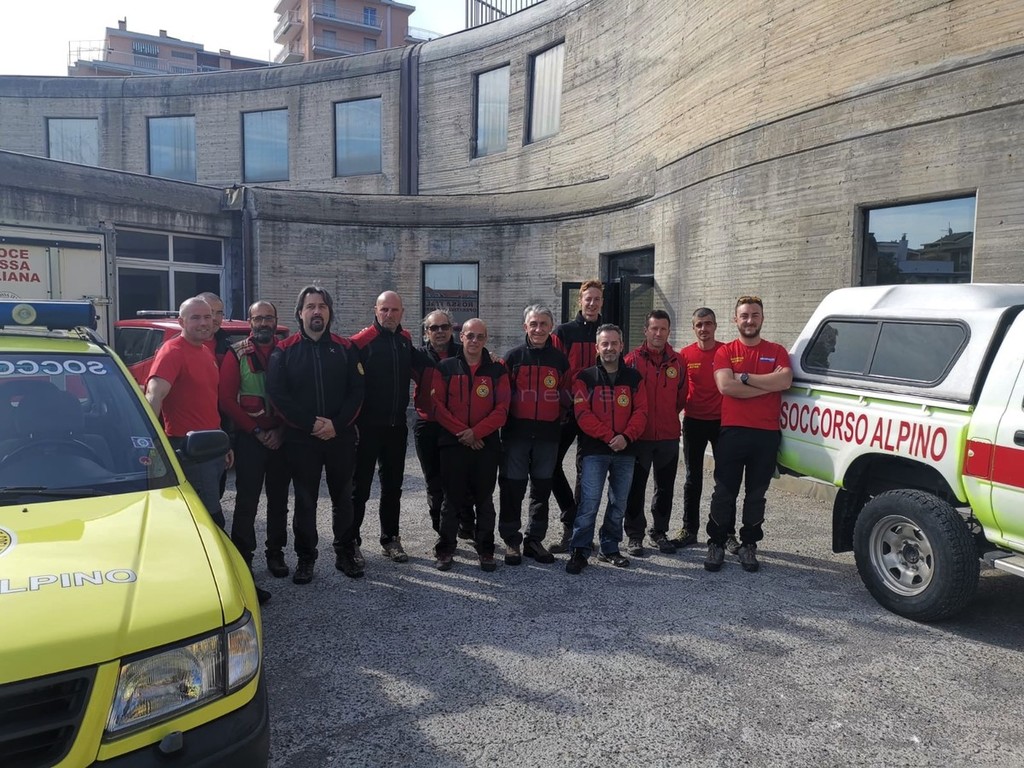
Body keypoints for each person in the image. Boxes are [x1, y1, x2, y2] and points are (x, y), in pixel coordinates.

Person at [145, 296, 269, 604]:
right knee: (211, 523)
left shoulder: (204, 351)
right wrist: (152, 448)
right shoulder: (172, 352)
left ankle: (207, 585)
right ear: (181, 321)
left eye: (208, 317)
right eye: (196, 317)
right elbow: (153, 397)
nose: (204, 322)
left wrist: (222, 442)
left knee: (203, 522)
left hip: (212, 449)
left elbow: (207, 405)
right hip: (190, 452)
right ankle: (234, 590)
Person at [267, 286, 365, 585]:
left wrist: (336, 424)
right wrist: (310, 424)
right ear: (300, 313)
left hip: (340, 436)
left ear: (330, 312)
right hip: (301, 439)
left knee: (343, 498)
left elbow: (357, 392)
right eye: (310, 306)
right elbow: (278, 395)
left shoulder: (346, 348)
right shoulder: (284, 350)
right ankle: (306, 558)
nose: (317, 311)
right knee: (305, 501)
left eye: (322, 306)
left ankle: (345, 553)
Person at [706, 295, 792, 573]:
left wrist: (744, 377)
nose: (749, 320)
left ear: (762, 318)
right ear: (736, 319)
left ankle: (749, 545)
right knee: (724, 492)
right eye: (744, 315)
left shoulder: (777, 350)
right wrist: (768, 386)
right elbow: (726, 387)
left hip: (766, 434)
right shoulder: (725, 351)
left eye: (755, 315)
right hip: (733, 432)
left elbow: (785, 380)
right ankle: (717, 543)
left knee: (756, 495)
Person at [349, 291, 433, 565]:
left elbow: (428, 365)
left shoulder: (404, 340)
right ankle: (351, 542)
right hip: (366, 428)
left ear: (402, 313)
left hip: (396, 427)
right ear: (375, 310)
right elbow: (347, 386)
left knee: (393, 488)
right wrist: (350, 423)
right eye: (384, 309)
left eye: (394, 310)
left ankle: (390, 539)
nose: (389, 315)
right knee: (359, 489)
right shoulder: (360, 342)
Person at [565, 324, 647, 575]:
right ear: (597, 347)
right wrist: (610, 436)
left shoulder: (634, 378)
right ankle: (580, 550)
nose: (609, 348)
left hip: (625, 450)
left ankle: (610, 547)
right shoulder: (585, 378)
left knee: (618, 502)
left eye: (614, 343)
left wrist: (626, 437)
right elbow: (582, 414)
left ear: (622, 346)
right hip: (594, 450)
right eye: (605, 344)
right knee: (589, 502)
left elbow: (641, 412)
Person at [219, 301, 291, 579]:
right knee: (247, 501)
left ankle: (276, 553)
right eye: (258, 318)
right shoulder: (236, 353)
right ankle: (243, 557)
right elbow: (227, 400)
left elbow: (297, 395)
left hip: (281, 437)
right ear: (250, 322)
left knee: (279, 500)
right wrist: (257, 432)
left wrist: (281, 431)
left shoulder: (287, 351)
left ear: (275, 321)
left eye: (268, 318)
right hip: (250, 438)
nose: (263, 323)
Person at [430, 319, 509, 571]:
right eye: (470, 335)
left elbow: (502, 409)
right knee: (451, 500)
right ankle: (445, 549)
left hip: (486, 445)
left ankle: (486, 550)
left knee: (484, 500)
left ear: (486, 339)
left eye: (480, 336)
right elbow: (438, 407)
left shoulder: (497, 370)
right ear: (461, 336)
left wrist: (476, 433)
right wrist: (463, 433)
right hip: (453, 444)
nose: (475, 341)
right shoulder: (445, 367)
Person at [497, 305, 570, 566]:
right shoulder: (513, 357)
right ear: (525, 327)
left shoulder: (560, 360)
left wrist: (556, 418)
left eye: (543, 324)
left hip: (548, 436)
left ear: (551, 327)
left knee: (541, 489)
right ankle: (511, 540)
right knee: (512, 488)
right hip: (516, 435)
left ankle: (534, 540)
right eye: (533, 324)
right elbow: (502, 396)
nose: (538, 329)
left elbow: (565, 395)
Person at [623, 310, 687, 556]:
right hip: (639, 437)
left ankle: (659, 531)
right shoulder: (631, 361)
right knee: (635, 487)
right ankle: (634, 535)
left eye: (663, 329)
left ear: (669, 331)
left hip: (668, 436)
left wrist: (666, 418)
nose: (658, 333)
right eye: (654, 328)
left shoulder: (678, 362)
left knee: (665, 488)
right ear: (646, 331)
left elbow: (681, 398)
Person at [548, 279, 605, 553]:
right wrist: (561, 403)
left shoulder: (607, 332)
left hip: (597, 412)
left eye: (597, 299)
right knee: (550, 465)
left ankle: (581, 532)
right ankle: (570, 516)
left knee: (587, 470)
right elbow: (555, 371)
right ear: (579, 301)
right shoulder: (564, 331)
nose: (592, 303)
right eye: (588, 298)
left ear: (602, 302)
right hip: (568, 410)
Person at [413, 309, 473, 538]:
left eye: (444, 327)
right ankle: (441, 530)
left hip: (456, 425)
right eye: (434, 328)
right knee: (434, 480)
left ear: (452, 329)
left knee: (462, 478)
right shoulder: (417, 356)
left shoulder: (463, 352)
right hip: (427, 424)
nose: (440, 331)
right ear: (426, 332)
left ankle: (466, 525)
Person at [671, 307, 727, 550]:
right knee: (692, 479)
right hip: (693, 422)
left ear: (715, 325)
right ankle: (689, 529)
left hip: (722, 423)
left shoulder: (726, 352)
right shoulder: (685, 355)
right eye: (699, 325)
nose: (704, 328)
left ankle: (725, 531)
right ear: (693, 328)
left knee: (725, 480)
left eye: (708, 323)